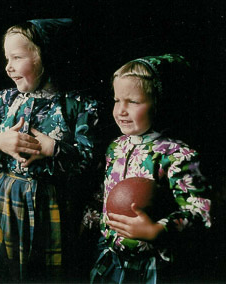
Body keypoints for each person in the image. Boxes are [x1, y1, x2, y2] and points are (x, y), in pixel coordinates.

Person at [0, 18, 99, 282]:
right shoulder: (5, 100)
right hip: (4, 196)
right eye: (7, 58)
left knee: (46, 272)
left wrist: (54, 149)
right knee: (4, 269)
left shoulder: (78, 105)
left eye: (17, 57)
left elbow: (90, 161)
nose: (8, 67)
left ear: (48, 57)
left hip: (50, 204)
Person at [85, 54, 212, 283]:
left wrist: (157, 230)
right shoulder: (115, 147)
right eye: (116, 100)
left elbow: (201, 211)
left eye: (133, 102)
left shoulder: (179, 155)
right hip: (110, 258)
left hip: (153, 265)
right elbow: (104, 193)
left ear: (160, 103)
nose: (121, 110)